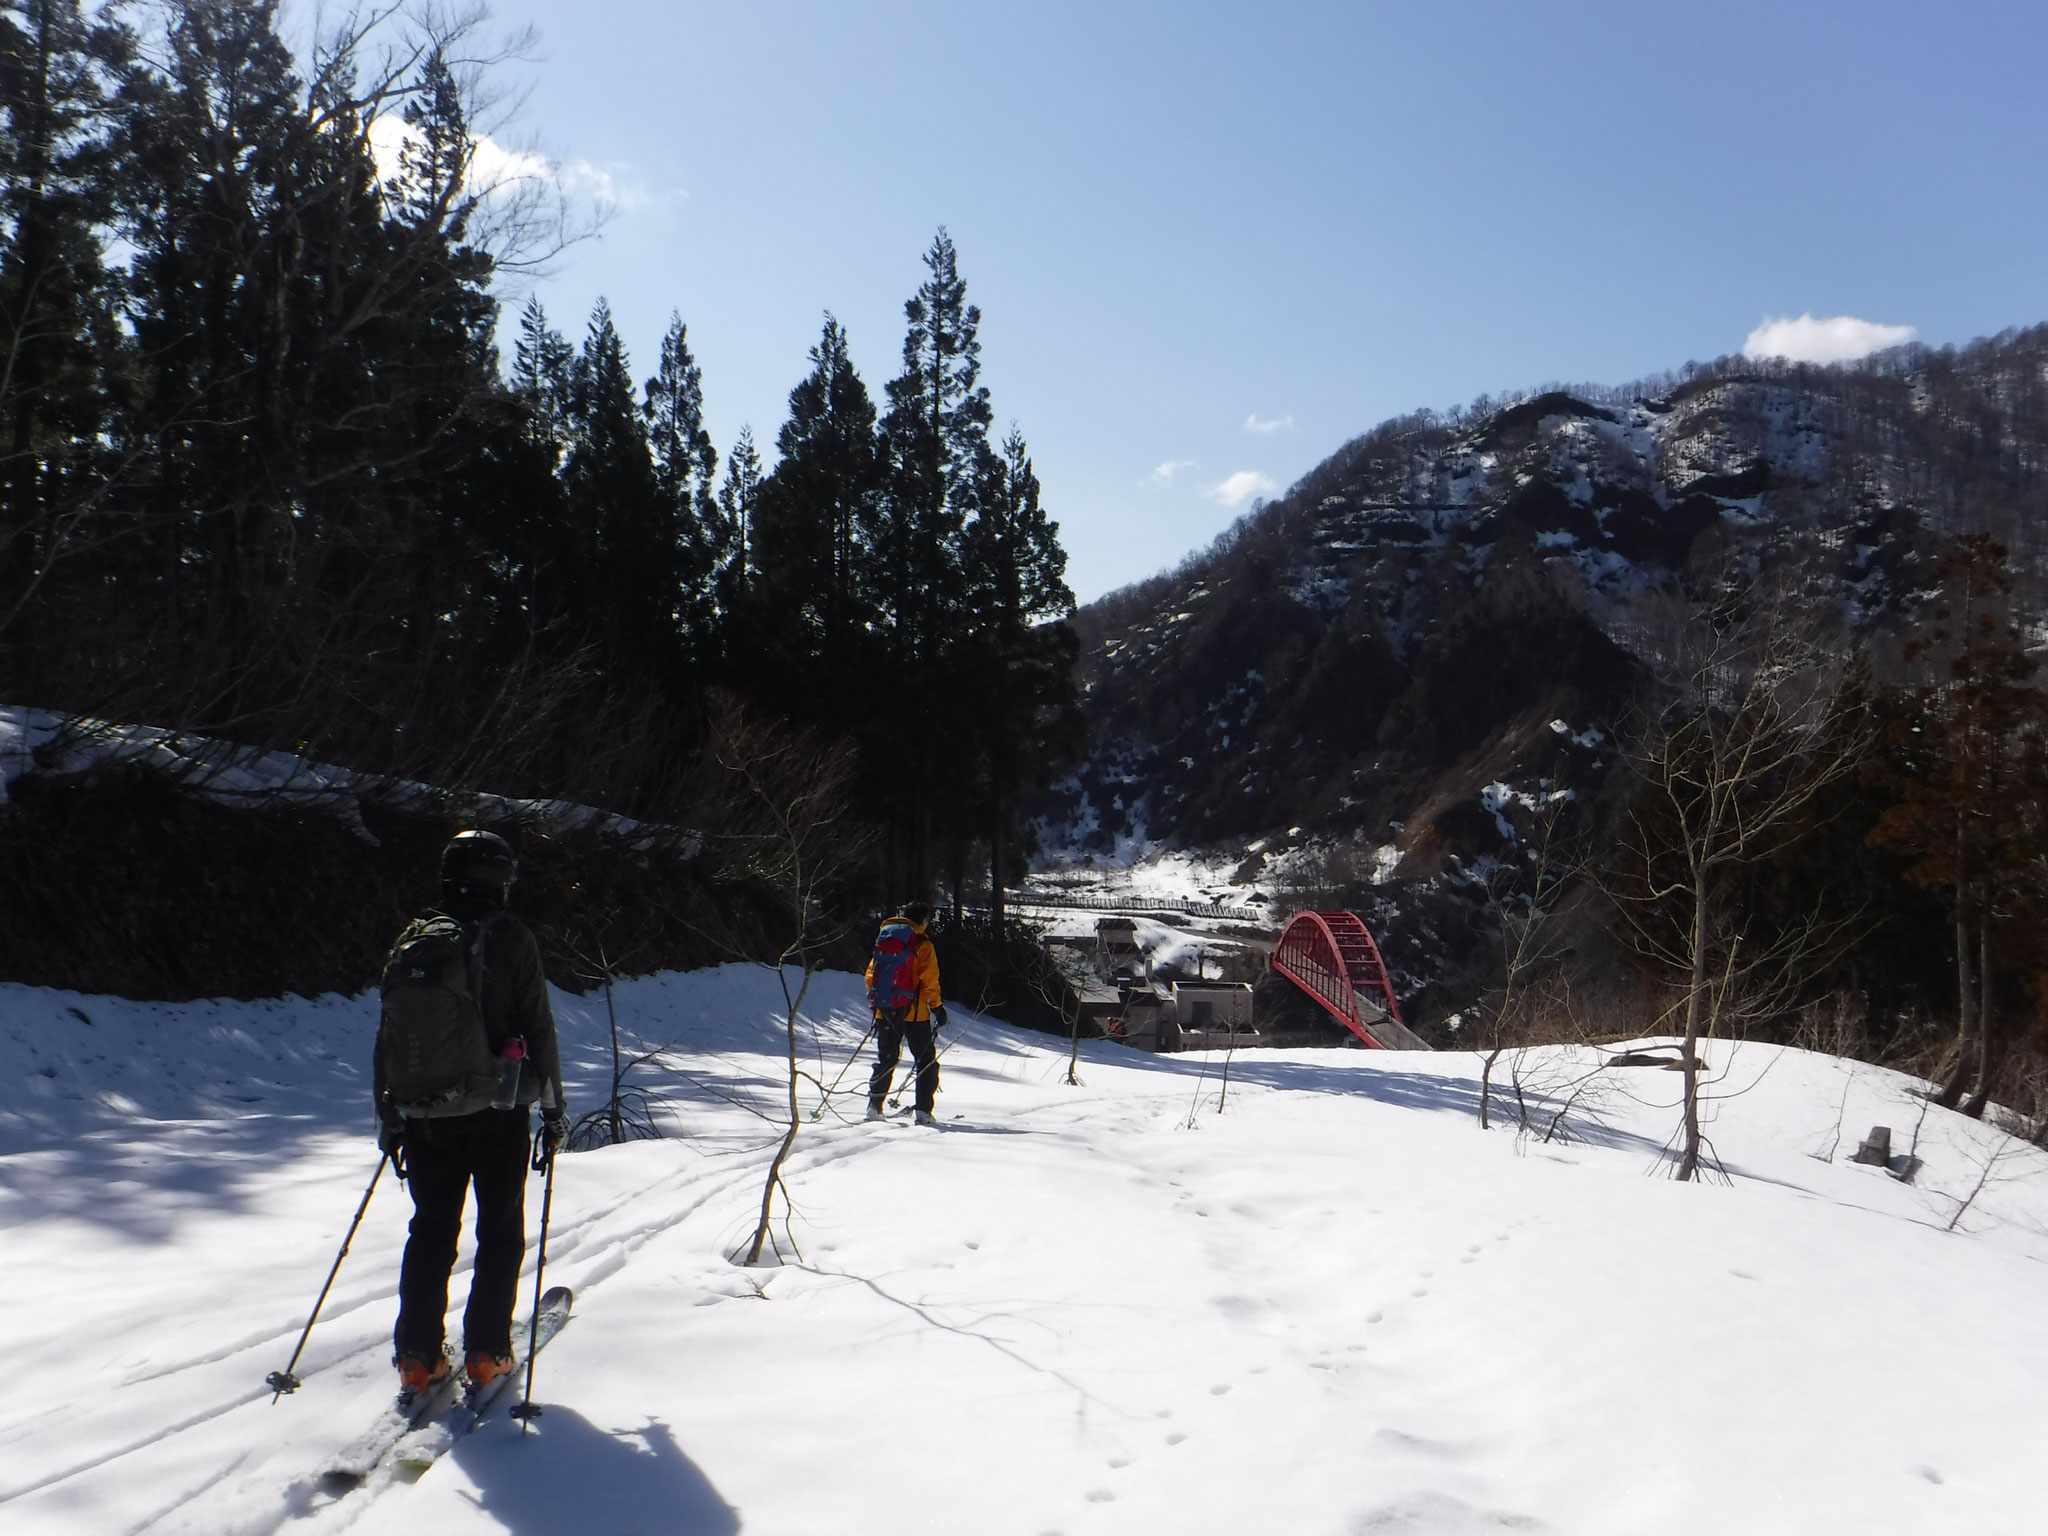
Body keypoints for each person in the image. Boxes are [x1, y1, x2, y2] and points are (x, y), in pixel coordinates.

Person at [374, 830, 567, 1399]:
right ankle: (486, 1352)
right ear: (500, 882)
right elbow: (539, 1029)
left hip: (424, 1116)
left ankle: (417, 1358)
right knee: (500, 1231)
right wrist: (554, 1113)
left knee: (430, 1232)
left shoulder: (415, 941)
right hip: (497, 1110)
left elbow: (386, 1037)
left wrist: (390, 1117)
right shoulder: (512, 940)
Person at [865, 900, 949, 1126]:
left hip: (886, 1009)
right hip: (915, 1013)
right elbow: (930, 980)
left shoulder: (885, 937)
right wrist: (937, 1007)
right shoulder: (922, 943)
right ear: (923, 921)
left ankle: (874, 1106)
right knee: (926, 1061)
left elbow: (871, 974)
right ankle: (923, 1111)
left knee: (887, 1059)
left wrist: (880, 1001)